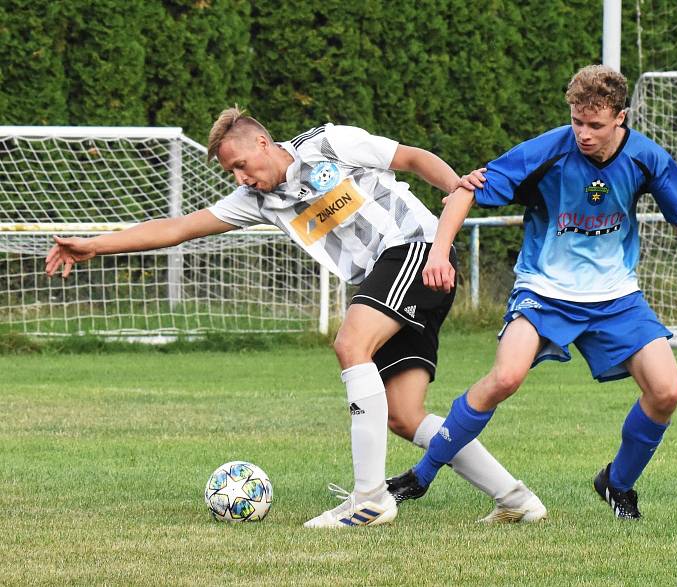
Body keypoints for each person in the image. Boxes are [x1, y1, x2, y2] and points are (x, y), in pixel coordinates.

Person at [45, 107, 547, 528]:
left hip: (415, 250)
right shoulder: (257, 200)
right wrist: (92, 245)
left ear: (263, 142)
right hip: (388, 277)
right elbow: (179, 228)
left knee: (351, 345)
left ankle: (369, 499)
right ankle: (516, 499)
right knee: (403, 414)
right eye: (233, 173)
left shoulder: (328, 144)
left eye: (241, 164)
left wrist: (455, 192)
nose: (241, 178)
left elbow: (411, 158)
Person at [387, 64, 677, 520]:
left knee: (667, 391)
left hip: (616, 298)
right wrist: (439, 253)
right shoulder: (549, 151)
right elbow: (463, 191)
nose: (584, 134)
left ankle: (617, 484)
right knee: (505, 378)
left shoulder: (645, 157)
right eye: (577, 121)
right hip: (544, 292)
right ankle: (421, 476)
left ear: (621, 117)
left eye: (595, 125)